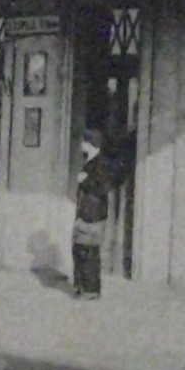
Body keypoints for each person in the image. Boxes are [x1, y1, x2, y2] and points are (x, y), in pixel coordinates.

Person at [72, 128, 112, 299]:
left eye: (84, 142)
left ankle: (90, 289)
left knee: (88, 250)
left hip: (92, 214)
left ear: (91, 144)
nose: (81, 145)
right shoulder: (90, 162)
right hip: (87, 212)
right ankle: (82, 286)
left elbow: (102, 189)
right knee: (81, 248)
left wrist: (85, 181)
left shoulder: (100, 163)